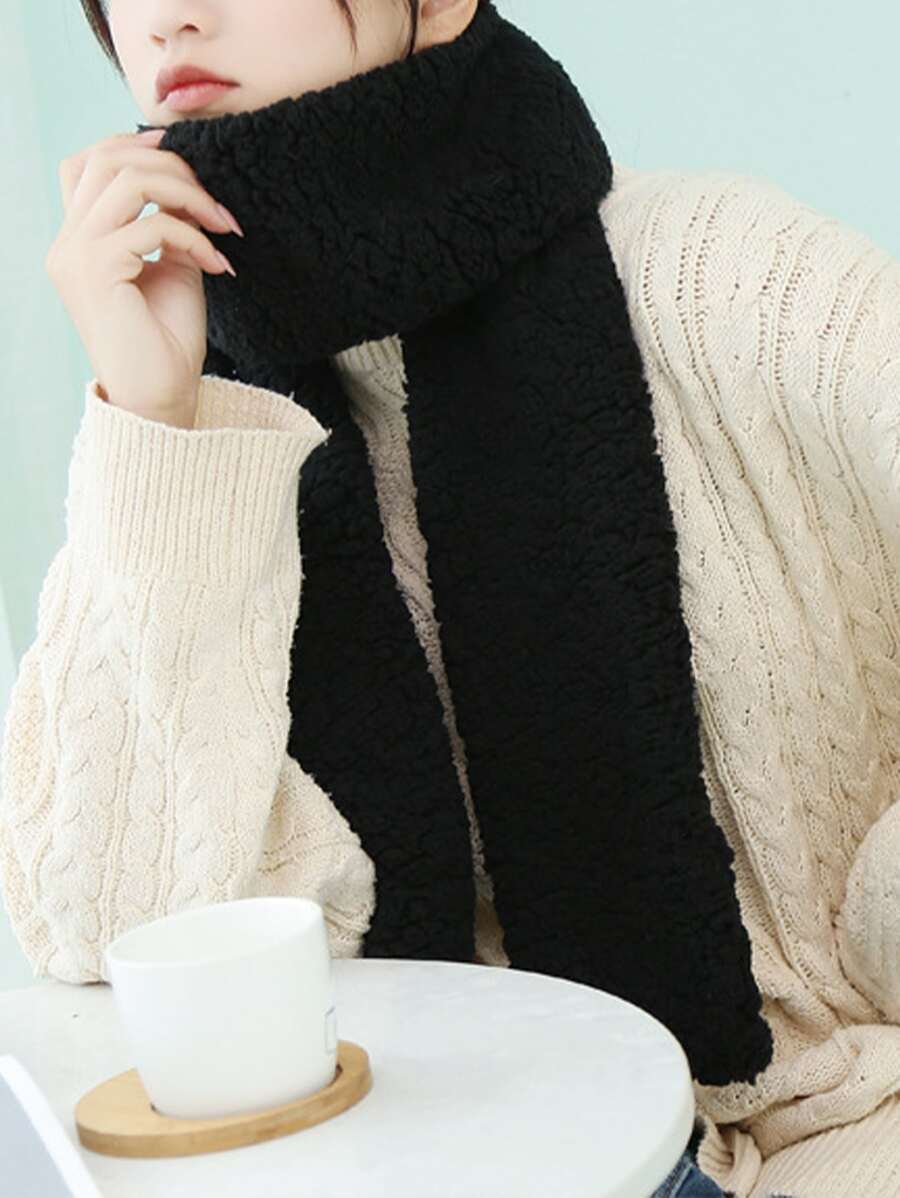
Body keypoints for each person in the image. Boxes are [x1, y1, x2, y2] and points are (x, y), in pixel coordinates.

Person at [1, 2, 898, 1194]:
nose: (169, 17)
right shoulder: (201, 411)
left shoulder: (723, 280)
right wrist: (159, 423)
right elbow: (107, 942)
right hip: (445, 1151)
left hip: (834, 1133)